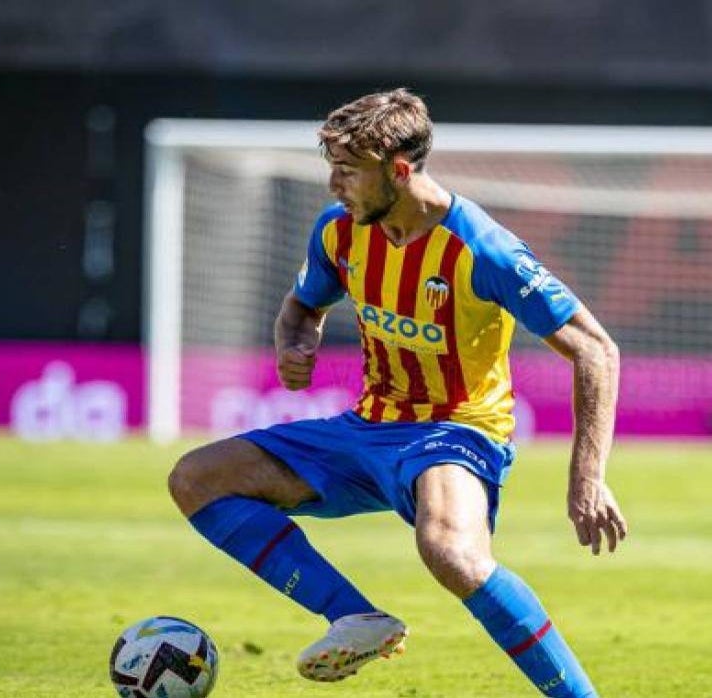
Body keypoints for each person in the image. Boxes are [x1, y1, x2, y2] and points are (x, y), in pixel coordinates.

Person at [167, 88, 626, 697]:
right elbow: (303, 306)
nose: (335, 185)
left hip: (455, 433)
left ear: (400, 170)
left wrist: (587, 478)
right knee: (196, 477)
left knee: (451, 553)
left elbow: (595, 349)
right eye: (332, 168)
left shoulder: (483, 249)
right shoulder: (340, 230)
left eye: (348, 172)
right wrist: (295, 343)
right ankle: (356, 618)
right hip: (365, 429)